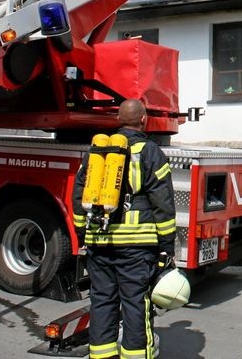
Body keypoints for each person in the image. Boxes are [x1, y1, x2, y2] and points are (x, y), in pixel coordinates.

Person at [72, 98, 177, 359]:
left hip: (99, 242)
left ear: (118, 119)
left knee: (102, 302)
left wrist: (83, 234)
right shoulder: (150, 152)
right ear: (143, 119)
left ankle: (101, 355)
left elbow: (78, 197)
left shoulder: (98, 153)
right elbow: (162, 203)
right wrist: (166, 246)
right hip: (136, 247)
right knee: (135, 303)